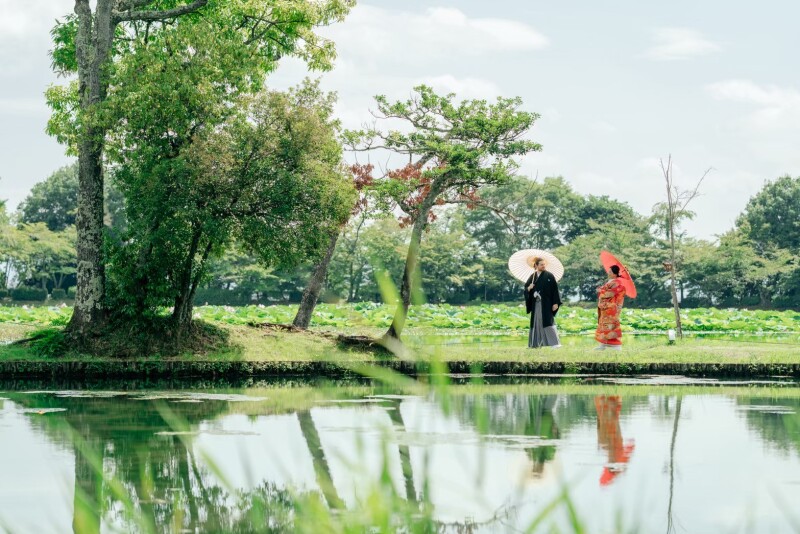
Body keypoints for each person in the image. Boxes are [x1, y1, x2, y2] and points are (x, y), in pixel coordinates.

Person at [524, 257, 562, 348]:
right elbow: (526, 289)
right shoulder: (532, 277)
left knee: (548, 321)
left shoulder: (549, 276)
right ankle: (534, 344)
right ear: (536, 265)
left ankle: (555, 343)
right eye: (541, 264)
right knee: (536, 321)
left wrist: (555, 303)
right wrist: (530, 288)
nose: (543, 266)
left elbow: (555, 290)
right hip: (536, 304)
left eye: (544, 264)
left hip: (547, 303)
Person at [595, 264, 626, 350]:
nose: (608, 272)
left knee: (611, 326)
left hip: (611, 309)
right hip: (606, 309)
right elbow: (606, 291)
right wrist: (601, 290)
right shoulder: (611, 281)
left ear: (614, 273)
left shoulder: (616, 283)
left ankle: (616, 345)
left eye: (610, 271)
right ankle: (602, 344)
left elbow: (610, 293)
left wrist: (601, 290)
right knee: (603, 325)